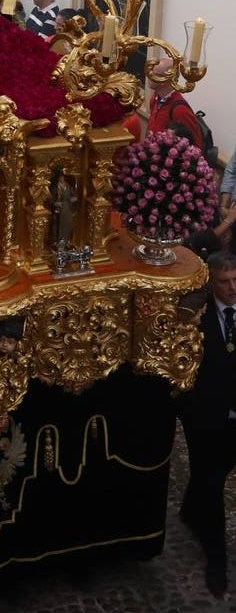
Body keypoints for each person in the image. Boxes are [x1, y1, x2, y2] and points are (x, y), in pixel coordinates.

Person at [179, 251, 236, 595]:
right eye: (225, 282)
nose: (232, 288)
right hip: (208, 418)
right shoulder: (195, 317)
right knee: (212, 482)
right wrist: (191, 411)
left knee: (207, 477)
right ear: (211, 283)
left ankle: (189, 509)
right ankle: (217, 560)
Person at [147, 56, 203, 148]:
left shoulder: (180, 110)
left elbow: (195, 148)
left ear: (167, 79)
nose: (149, 75)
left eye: (155, 73)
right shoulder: (155, 98)